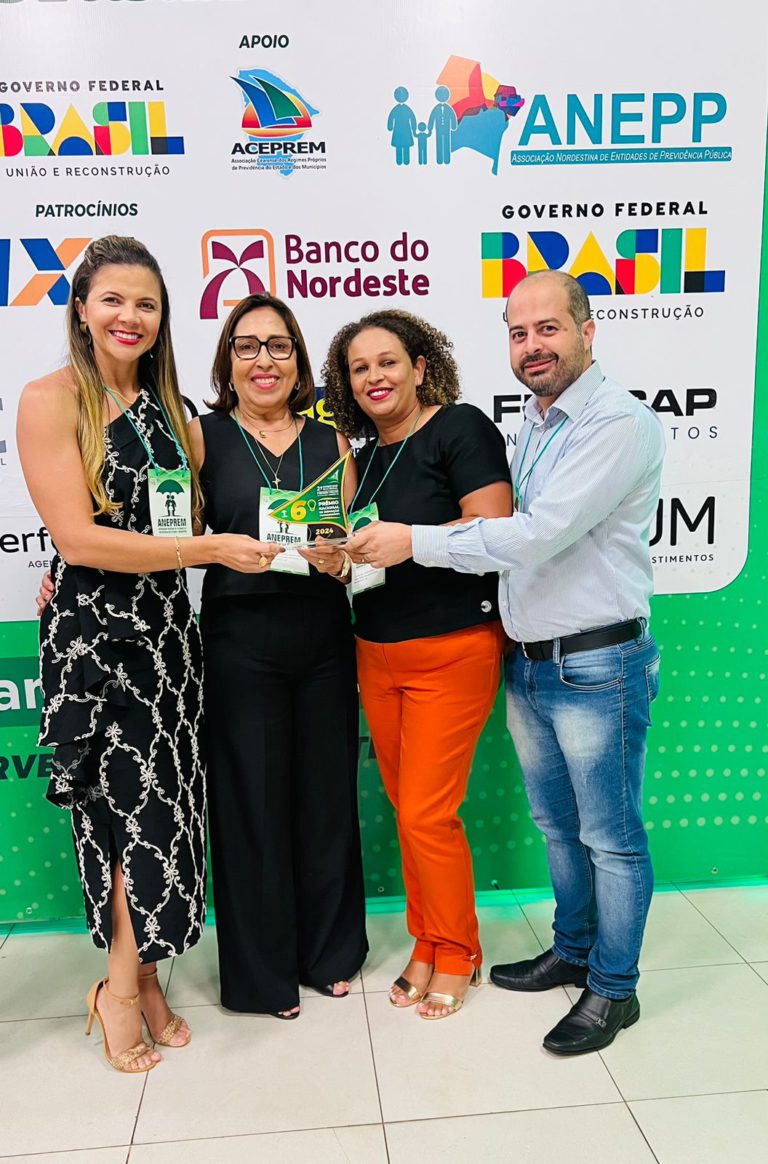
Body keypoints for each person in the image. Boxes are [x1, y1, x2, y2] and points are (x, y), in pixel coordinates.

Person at [345, 272, 665, 1054]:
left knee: (611, 837)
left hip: (597, 659)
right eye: (519, 333)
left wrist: (410, 541)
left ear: (588, 330)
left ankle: (613, 990)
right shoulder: (536, 422)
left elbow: (534, 533)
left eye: (547, 329)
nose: (532, 346)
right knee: (559, 828)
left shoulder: (617, 423)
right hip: (529, 657)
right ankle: (574, 950)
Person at [17, 236, 276, 1073]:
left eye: (147, 304)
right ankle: (121, 993)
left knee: (160, 819)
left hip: (167, 638)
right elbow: (78, 539)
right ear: (82, 309)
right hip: (96, 643)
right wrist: (205, 551)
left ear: (163, 318)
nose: (129, 316)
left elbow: (187, 514)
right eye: (113, 300)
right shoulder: (50, 399)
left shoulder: (175, 411)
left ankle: (144, 981)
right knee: (123, 821)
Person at [321, 309, 512, 1019]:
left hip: (452, 649)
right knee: (410, 812)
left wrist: (411, 539)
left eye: (388, 362)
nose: (374, 377)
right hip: (375, 651)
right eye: (359, 368)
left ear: (420, 367)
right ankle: (427, 940)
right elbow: (365, 559)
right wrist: (334, 560)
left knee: (429, 812)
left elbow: (496, 529)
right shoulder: (362, 458)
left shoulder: (459, 428)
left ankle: (459, 949)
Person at [189, 293, 368, 1018]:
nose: (264, 360)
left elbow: (357, 556)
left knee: (326, 799)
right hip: (240, 641)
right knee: (251, 805)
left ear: (298, 361)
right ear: (228, 361)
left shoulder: (333, 443)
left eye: (279, 345)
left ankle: (329, 953)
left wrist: (341, 563)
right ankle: (261, 977)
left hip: (323, 638)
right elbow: (163, 529)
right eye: (247, 345)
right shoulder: (201, 437)